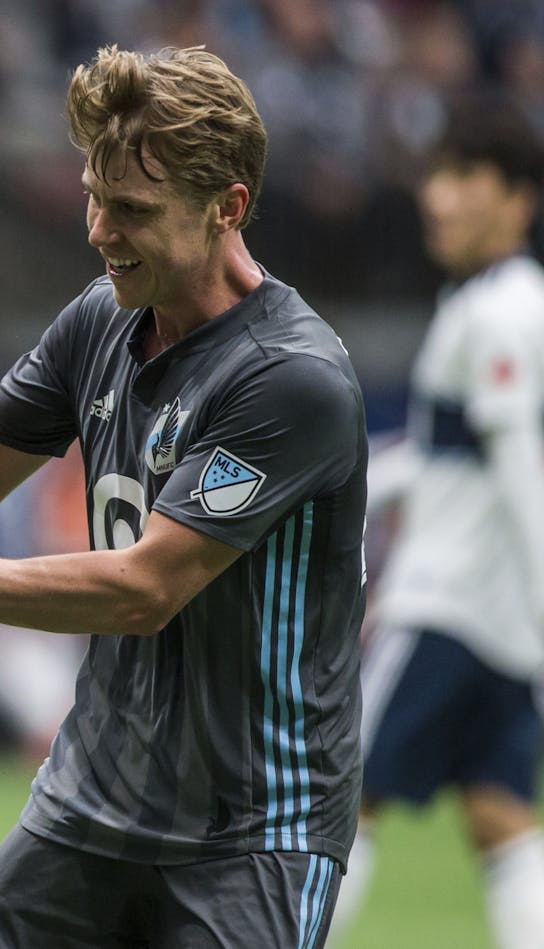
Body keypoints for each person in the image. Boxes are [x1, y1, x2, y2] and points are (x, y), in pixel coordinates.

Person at [0, 45, 369, 947]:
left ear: (226, 209)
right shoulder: (102, 316)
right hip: (91, 801)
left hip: (250, 834)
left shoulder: (291, 378)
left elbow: (143, 590)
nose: (98, 228)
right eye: (94, 195)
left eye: (131, 209)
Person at [328, 99, 544, 949]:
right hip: (506, 624)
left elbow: (520, 463)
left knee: (337, 795)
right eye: (438, 175)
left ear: (519, 198)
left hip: (450, 603)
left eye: (465, 177)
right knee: (501, 815)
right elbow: (450, 453)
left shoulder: (498, 316)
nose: (439, 197)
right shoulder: (506, 302)